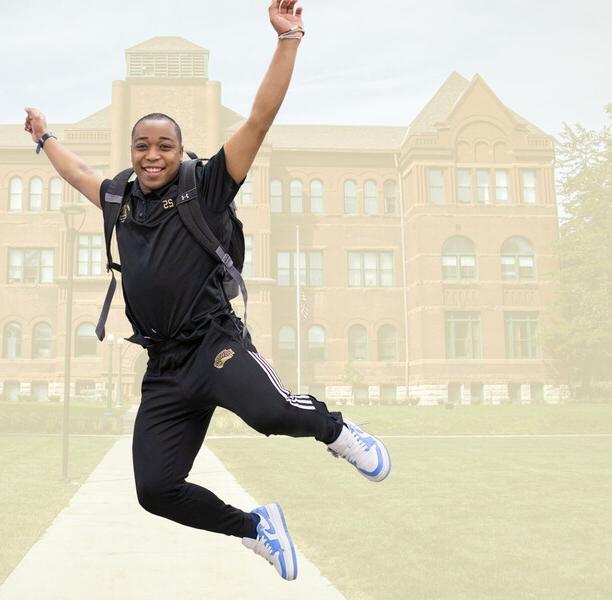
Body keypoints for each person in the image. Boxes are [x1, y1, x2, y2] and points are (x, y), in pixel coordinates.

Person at [24, 0, 390, 582]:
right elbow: (77, 174)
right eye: (142, 145)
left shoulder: (207, 186)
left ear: (180, 149)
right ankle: (254, 528)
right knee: (156, 489)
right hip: (164, 367)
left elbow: (259, 119)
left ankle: (338, 430)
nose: (151, 155)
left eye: (163, 145)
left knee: (271, 414)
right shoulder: (119, 200)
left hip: (212, 343)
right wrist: (45, 140)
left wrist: (289, 39)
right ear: (132, 151)